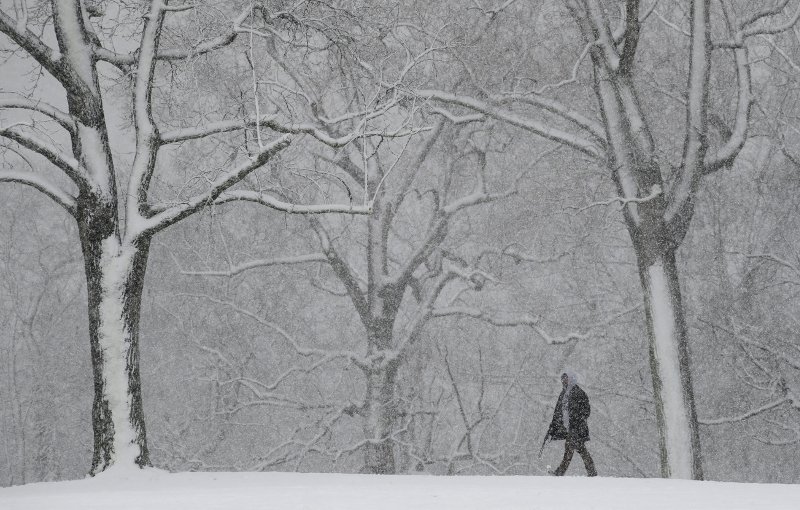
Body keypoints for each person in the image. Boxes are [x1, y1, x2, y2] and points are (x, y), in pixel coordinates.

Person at [546, 371, 597, 476]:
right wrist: (553, 427)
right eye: (563, 379)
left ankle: (560, 472)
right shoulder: (563, 394)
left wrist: (577, 419)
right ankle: (592, 471)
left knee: (570, 449)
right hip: (569, 428)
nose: (564, 381)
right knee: (580, 449)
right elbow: (558, 412)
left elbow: (586, 411)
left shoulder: (579, 392)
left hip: (577, 428)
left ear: (571, 379)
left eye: (566, 378)